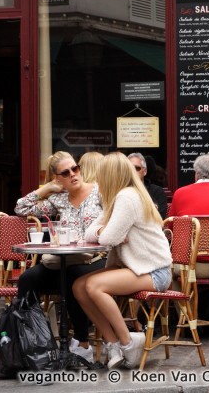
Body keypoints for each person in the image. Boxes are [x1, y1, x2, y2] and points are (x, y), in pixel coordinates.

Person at [73, 152, 172, 370]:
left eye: (102, 175)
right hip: (136, 268)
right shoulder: (118, 197)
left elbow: (108, 239)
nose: (98, 180)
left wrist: (106, 232)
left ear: (110, 175)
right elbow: (90, 233)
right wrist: (103, 230)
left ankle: (128, 342)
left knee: (94, 285)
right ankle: (112, 343)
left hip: (155, 271)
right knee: (79, 286)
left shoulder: (128, 197)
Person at [14, 151, 105, 363]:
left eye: (76, 168)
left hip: (97, 258)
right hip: (65, 259)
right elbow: (20, 208)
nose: (73, 174)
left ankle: (82, 342)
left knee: (72, 278)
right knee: (27, 278)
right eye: (66, 172)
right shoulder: (59, 200)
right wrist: (45, 189)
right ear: (58, 178)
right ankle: (32, 340)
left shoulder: (98, 192)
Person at [127, 152, 168, 219]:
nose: (133, 171)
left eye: (137, 168)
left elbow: (159, 219)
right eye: (129, 168)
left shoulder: (157, 192)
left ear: (145, 171)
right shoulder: (120, 191)